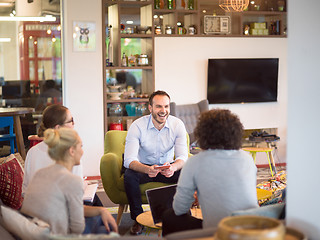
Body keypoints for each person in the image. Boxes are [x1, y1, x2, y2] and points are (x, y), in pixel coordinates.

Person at [162, 109, 259, 236]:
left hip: (219, 232)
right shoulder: (247, 158)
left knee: (170, 216)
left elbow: (180, 209)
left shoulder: (194, 162)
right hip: (253, 229)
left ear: (202, 134)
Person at [21, 128, 118, 235]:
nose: (82, 151)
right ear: (72, 151)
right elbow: (77, 228)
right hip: (54, 234)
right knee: (107, 228)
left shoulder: (41, 173)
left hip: (33, 231)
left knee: (101, 216)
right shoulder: (72, 180)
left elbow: (69, 209)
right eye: (81, 146)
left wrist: (101, 210)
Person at [123, 90, 189, 235]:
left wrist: (173, 167)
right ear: (150, 108)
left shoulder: (177, 125)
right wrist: (146, 169)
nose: (163, 111)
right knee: (129, 175)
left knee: (188, 173)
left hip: (168, 166)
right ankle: (138, 219)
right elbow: (128, 160)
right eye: (159, 106)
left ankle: (181, 215)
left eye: (166, 106)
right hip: (144, 167)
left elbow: (183, 157)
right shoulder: (137, 126)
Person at [22, 104, 82, 195]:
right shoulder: (71, 151)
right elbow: (77, 191)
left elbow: (25, 189)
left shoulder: (32, 152)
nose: (74, 124)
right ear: (58, 128)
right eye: (71, 121)